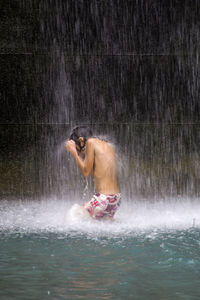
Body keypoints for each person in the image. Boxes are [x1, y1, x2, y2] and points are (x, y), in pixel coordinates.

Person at [65, 126, 121, 220]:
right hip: (116, 199)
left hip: (104, 199)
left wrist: (73, 152)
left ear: (81, 140)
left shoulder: (90, 142)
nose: (80, 153)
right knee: (103, 224)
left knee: (73, 214)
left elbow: (86, 172)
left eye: (78, 148)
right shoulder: (106, 145)